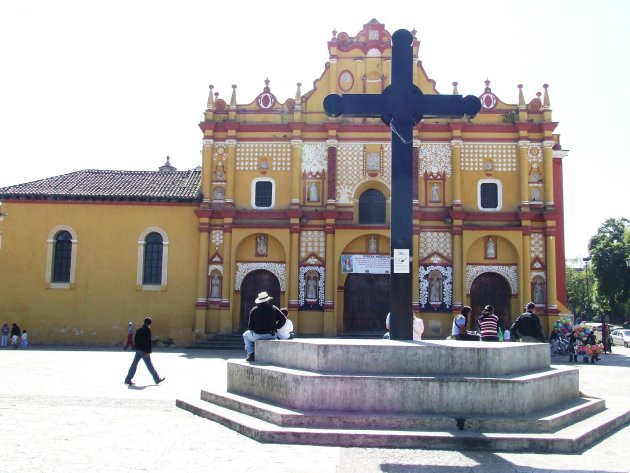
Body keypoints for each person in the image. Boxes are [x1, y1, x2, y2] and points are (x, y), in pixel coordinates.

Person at [242, 291, 286, 362]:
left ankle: (251, 354)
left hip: (258, 335)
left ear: (259, 301)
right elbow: (283, 319)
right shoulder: (274, 308)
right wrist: (276, 327)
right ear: (267, 300)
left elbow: (250, 327)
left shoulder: (254, 310)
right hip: (271, 335)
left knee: (245, 335)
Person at [124, 316, 165, 386]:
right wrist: (148, 352)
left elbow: (135, 339)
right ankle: (157, 379)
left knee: (134, 365)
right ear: (150, 323)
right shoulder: (147, 330)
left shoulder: (139, 329)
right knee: (149, 365)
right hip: (144, 350)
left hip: (138, 350)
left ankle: (128, 379)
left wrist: (136, 347)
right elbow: (148, 342)